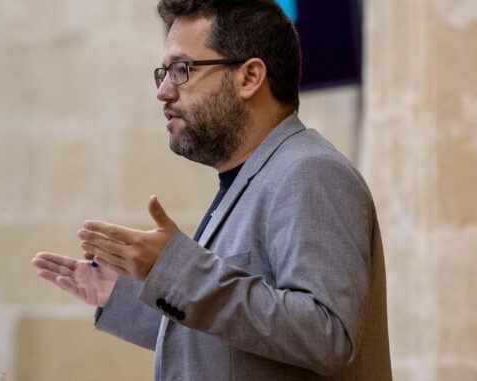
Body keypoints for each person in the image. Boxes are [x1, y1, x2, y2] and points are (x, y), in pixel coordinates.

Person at [31, 0, 392, 379]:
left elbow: (328, 336)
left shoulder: (309, 172)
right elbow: (239, 343)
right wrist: (127, 295)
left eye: (182, 70)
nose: (164, 92)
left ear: (249, 77)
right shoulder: (253, 176)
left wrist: (176, 269)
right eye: (164, 73)